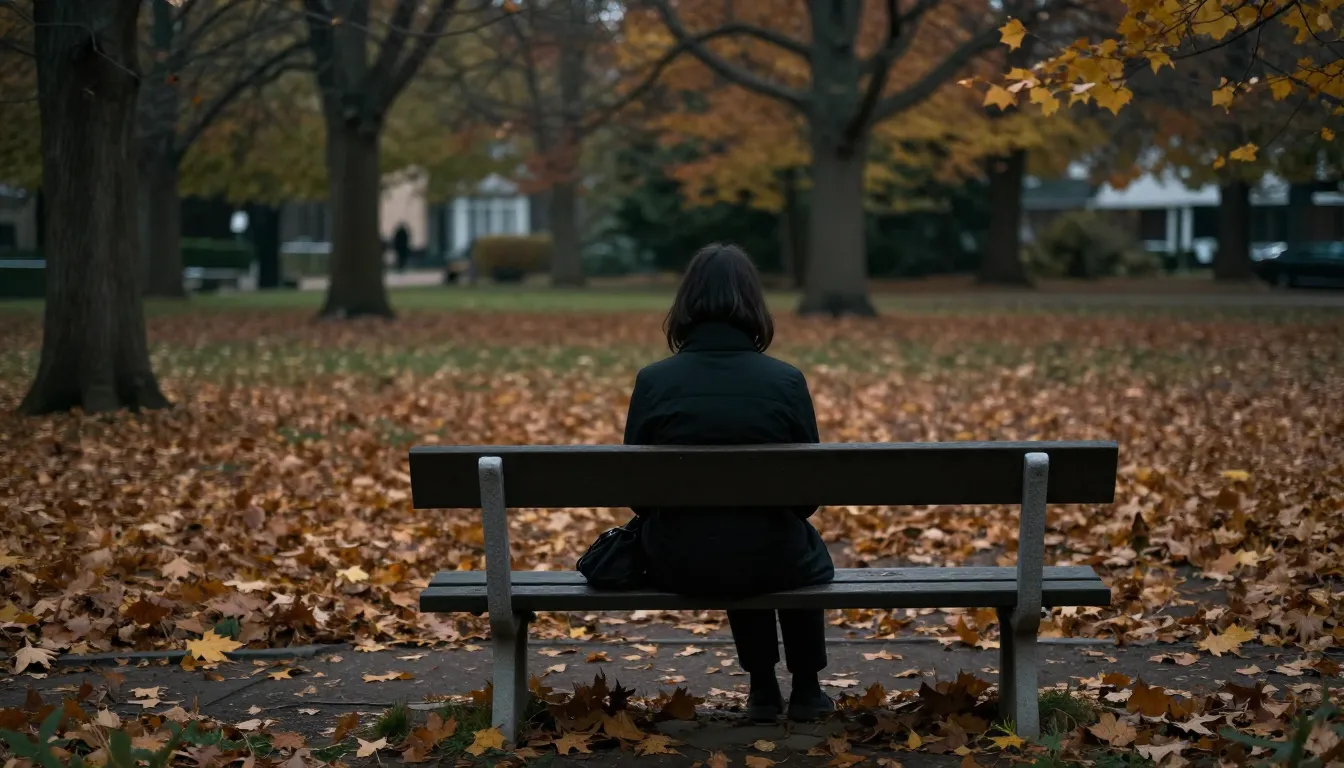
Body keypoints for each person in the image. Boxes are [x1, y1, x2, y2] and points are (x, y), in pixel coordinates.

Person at [622, 243, 835, 723]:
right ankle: (806, 688)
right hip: (775, 555)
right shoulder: (785, 381)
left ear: (685, 304)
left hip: (680, 560)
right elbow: (807, 497)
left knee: (728, 533)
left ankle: (762, 689)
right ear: (753, 304)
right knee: (779, 541)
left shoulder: (654, 382)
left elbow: (638, 495)